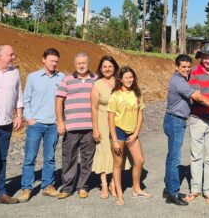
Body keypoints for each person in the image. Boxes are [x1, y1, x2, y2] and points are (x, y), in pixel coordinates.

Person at [164, 54, 209, 206]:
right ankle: (178, 192)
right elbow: (198, 98)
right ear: (176, 67)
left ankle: (206, 190)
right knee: (182, 157)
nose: (187, 69)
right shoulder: (189, 76)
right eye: (183, 67)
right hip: (188, 118)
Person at [17, 48, 65, 202]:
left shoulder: (62, 77)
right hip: (36, 124)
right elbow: (27, 99)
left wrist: (61, 120)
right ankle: (26, 188)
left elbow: (66, 99)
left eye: (56, 61)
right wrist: (29, 118)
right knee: (30, 158)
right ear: (43, 60)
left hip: (53, 124)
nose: (54, 64)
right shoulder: (33, 77)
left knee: (50, 157)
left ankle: (47, 186)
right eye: (51, 60)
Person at [55, 52, 96, 199]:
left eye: (84, 63)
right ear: (74, 64)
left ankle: (83, 186)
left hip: (90, 127)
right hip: (71, 127)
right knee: (69, 157)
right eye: (78, 63)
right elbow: (59, 101)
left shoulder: (95, 80)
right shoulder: (66, 80)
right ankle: (67, 187)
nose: (81, 65)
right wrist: (60, 122)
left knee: (87, 157)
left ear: (88, 63)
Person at [108, 66, 150, 205]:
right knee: (118, 164)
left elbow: (140, 115)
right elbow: (110, 119)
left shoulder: (137, 94)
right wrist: (114, 140)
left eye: (131, 77)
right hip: (118, 131)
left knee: (139, 160)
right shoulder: (115, 95)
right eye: (126, 77)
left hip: (132, 133)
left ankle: (136, 189)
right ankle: (119, 195)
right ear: (120, 79)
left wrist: (136, 133)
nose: (129, 80)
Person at [0, 44, 22, 205]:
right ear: (0, 56)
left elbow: (18, 95)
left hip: (6, 124)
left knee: (1, 159)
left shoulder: (14, 72)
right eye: (11, 54)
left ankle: (0, 193)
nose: (14, 57)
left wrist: (19, 115)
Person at [186, 43, 209, 205]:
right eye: (205, 57)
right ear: (201, 58)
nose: (208, 60)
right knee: (196, 156)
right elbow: (197, 96)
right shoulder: (194, 72)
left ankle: (208, 190)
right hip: (197, 118)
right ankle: (195, 189)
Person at [91, 55, 125, 200]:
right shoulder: (97, 84)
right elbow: (94, 108)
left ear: (115, 68)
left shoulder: (120, 82)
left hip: (119, 121)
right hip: (103, 121)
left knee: (117, 152)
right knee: (103, 151)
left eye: (110, 66)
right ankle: (104, 184)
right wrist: (95, 129)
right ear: (100, 68)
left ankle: (113, 183)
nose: (107, 69)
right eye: (104, 66)